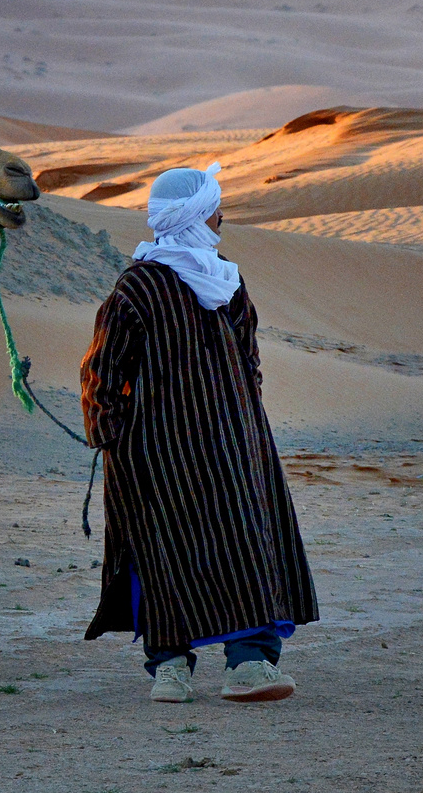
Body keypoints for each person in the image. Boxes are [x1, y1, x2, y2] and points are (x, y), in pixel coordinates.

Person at [80, 163, 318, 703]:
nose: (221, 217)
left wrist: (241, 419)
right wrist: (109, 436)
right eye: (214, 209)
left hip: (233, 445)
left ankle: (249, 664)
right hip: (159, 452)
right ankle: (170, 667)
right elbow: (101, 372)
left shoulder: (226, 279)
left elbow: (249, 362)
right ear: (193, 215)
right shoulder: (138, 288)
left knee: (243, 542)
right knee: (164, 549)